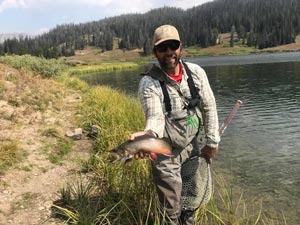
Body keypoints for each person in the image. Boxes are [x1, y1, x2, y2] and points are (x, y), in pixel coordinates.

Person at [130, 24, 220, 225]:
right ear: (155, 53)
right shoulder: (148, 83)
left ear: (181, 48)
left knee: (190, 202)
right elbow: (155, 118)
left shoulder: (196, 73)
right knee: (171, 209)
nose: (169, 52)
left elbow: (209, 107)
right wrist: (147, 137)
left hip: (192, 146)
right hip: (164, 151)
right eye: (163, 48)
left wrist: (212, 141)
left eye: (173, 45)